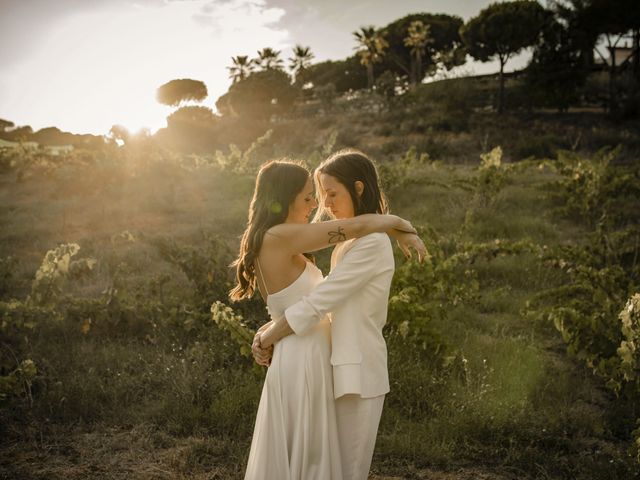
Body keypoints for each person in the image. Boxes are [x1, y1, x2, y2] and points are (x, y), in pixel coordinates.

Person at [230, 158, 424, 480]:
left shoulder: (364, 244)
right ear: (285, 196)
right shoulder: (284, 236)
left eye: (325, 193)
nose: (317, 203)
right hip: (309, 359)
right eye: (310, 195)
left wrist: (268, 333)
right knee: (315, 463)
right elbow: (317, 302)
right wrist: (400, 226)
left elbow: (313, 302)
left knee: (316, 462)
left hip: (334, 363)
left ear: (357, 188)